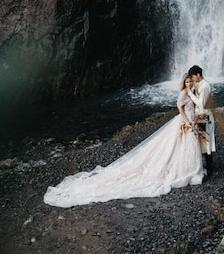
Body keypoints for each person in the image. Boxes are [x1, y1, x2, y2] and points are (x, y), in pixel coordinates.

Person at [43, 74, 204, 207]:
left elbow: (196, 106)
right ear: (184, 82)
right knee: (176, 146)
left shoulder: (192, 92)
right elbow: (180, 109)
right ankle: (185, 171)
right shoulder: (183, 93)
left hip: (191, 121)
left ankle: (190, 170)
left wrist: (194, 120)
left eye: (190, 81)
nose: (189, 83)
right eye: (187, 81)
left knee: (186, 146)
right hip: (184, 122)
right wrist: (187, 122)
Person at [187, 65, 216, 176]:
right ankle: (205, 166)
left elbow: (201, 104)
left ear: (198, 74)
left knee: (206, 143)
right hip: (201, 118)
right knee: (202, 142)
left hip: (205, 117)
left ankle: (209, 168)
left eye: (193, 77)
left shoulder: (205, 87)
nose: (193, 79)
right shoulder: (201, 85)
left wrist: (190, 94)